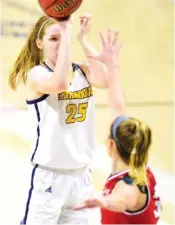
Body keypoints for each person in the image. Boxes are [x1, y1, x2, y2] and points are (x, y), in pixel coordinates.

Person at [8, 13, 109, 225]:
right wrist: (65, 30)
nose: (59, 44)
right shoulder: (36, 74)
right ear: (40, 43)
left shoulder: (81, 71)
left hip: (81, 179)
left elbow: (104, 79)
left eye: (63, 39)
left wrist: (82, 38)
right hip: (49, 178)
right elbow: (60, 84)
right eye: (54, 39)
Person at [73, 30, 162, 224]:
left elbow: (124, 199)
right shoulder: (139, 166)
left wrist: (104, 200)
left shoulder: (129, 184)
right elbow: (117, 106)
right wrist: (111, 66)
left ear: (110, 145)